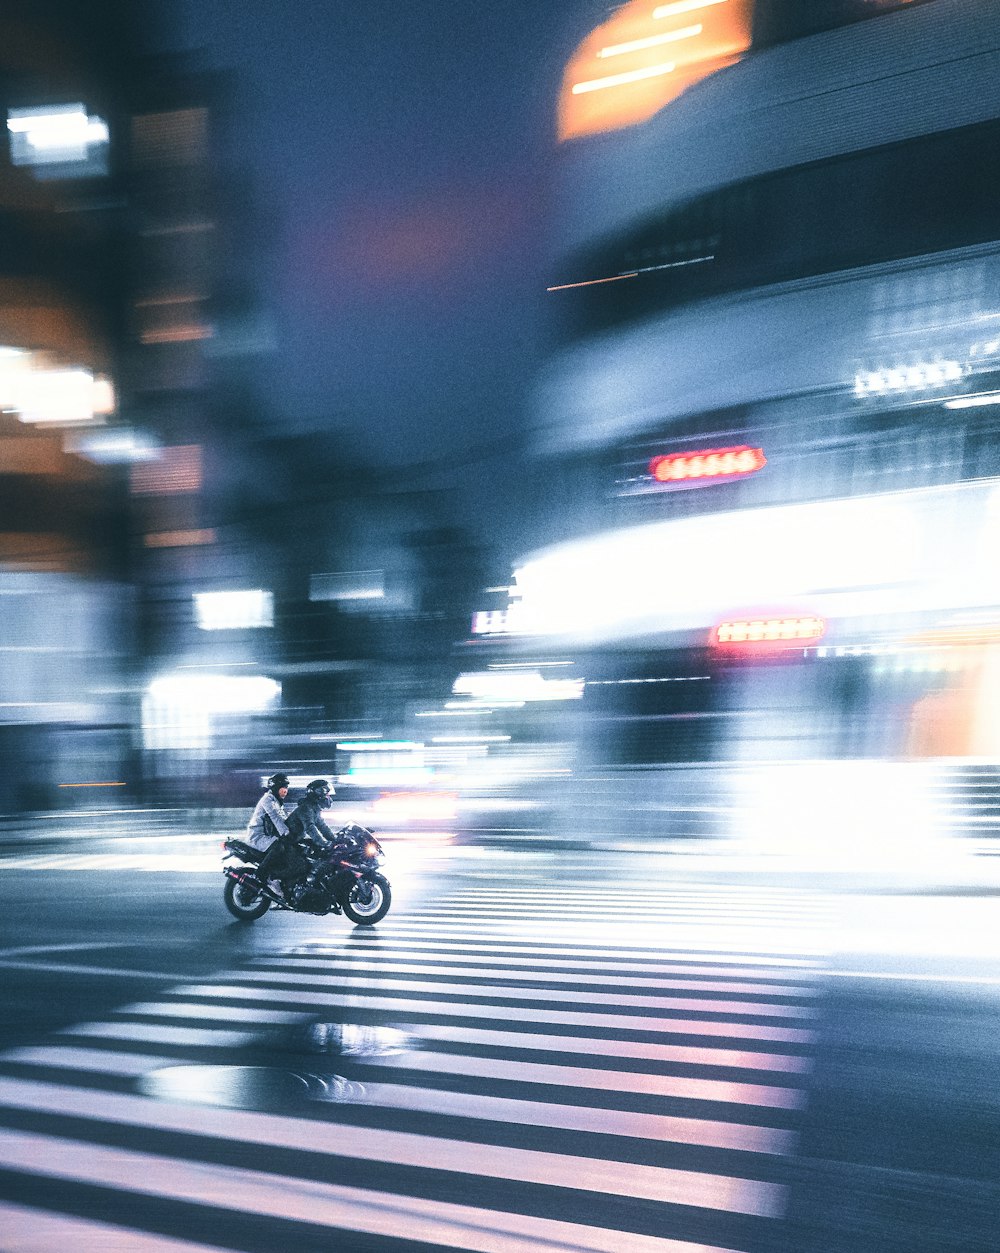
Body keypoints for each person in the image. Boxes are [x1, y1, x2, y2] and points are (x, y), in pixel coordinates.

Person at [246, 772, 306, 899]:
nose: (285, 790)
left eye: (286, 787)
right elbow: (275, 818)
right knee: (279, 847)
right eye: (283, 787)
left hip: (268, 836)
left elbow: (284, 818)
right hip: (258, 837)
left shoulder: (277, 802)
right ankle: (262, 875)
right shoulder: (267, 800)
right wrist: (287, 833)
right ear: (275, 788)